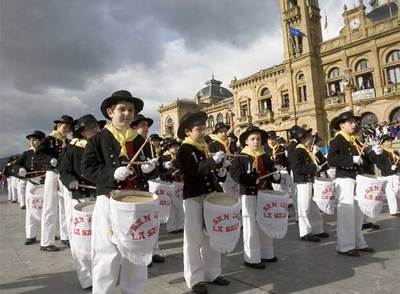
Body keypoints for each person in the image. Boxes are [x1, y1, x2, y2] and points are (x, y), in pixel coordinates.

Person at [81, 90, 158, 294]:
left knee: (137, 253)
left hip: (137, 203)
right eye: (122, 109)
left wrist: (148, 169)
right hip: (109, 202)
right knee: (107, 256)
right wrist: (112, 173)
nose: (127, 113)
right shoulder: (97, 140)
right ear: (110, 112)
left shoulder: (140, 141)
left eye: (130, 110)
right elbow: (87, 168)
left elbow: (147, 170)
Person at [176, 111, 229, 294]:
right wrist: (211, 162)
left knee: (212, 235)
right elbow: (192, 171)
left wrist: (221, 171)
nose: (202, 131)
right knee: (193, 239)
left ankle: (212, 273)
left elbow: (210, 172)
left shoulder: (203, 146)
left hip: (210, 195)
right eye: (198, 129)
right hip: (194, 196)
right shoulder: (184, 150)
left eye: (203, 128)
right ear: (187, 132)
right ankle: (195, 279)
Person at [58, 114, 102, 289]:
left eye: (97, 127)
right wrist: (70, 181)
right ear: (82, 132)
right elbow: (63, 171)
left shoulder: (100, 147)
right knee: (82, 240)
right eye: (93, 127)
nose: (97, 130)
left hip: (100, 195)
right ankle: (86, 277)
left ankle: (100, 272)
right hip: (80, 196)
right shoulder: (71, 149)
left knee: (101, 237)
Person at [230, 126, 280, 269]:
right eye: (253, 139)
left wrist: (276, 176)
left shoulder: (264, 155)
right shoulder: (241, 156)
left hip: (265, 194)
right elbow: (235, 174)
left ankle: (267, 253)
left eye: (258, 139)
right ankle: (252, 258)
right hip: (249, 194)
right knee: (250, 224)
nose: (256, 142)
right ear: (246, 141)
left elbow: (271, 171)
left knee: (265, 222)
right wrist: (251, 180)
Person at [328, 111, 374, 257]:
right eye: (351, 122)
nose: (354, 125)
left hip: (357, 178)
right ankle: (345, 246)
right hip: (345, 180)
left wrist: (374, 153)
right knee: (346, 213)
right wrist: (350, 159)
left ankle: (358, 242)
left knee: (358, 212)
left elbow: (365, 159)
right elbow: (331, 159)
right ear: (342, 126)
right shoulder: (338, 140)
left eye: (355, 122)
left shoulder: (355, 140)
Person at [36, 114, 74, 251]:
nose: (67, 129)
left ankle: (66, 236)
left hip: (64, 174)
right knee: (50, 206)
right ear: (58, 125)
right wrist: (49, 159)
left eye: (69, 127)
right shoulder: (49, 139)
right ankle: (46, 242)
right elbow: (38, 154)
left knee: (66, 205)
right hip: (52, 173)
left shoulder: (68, 142)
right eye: (65, 126)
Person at [290, 127, 329, 242]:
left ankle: (318, 229)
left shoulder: (309, 150)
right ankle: (305, 232)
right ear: (302, 139)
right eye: (309, 137)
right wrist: (313, 167)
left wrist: (319, 155)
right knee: (305, 208)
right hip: (303, 181)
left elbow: (324, 165)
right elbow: (297, 168)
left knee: (315, 207)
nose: (312, 139)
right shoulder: (297, 151)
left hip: (313, 180)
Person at [13, 130, 47, 245]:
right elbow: (16, 165)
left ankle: (48, 233)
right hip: (32, 184)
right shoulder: (26, 154)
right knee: (30, 210)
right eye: (31, 140)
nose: (32, 142)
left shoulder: (47, 153)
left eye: (35, 140)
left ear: (42, 141)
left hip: (45, 184)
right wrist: (20, 169)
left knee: (47, 209)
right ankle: (30, 235)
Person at [158, 138, 184, 234]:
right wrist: (165, 169)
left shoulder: (180, 156)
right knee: (171, 207)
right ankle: (172, 227)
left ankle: (181, 225)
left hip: (180, 183)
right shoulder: (163, 158)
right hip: (169, 183)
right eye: (172, 146)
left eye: (176, 146)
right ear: (168, 148)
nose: (175, 148)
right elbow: (160, 171)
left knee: (180, 206)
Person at [371, 134, 400, 216]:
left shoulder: (394, 151)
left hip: (396, 174)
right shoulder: (381, 152)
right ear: (383, 143)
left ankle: (399, 209)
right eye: (387, 141)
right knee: (390, 193)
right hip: (387, 175)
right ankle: (394, 211)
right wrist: (389, 168)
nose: (390, 142)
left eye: (390, 140)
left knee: (397, 191)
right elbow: (379, 164)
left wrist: (397, 167)